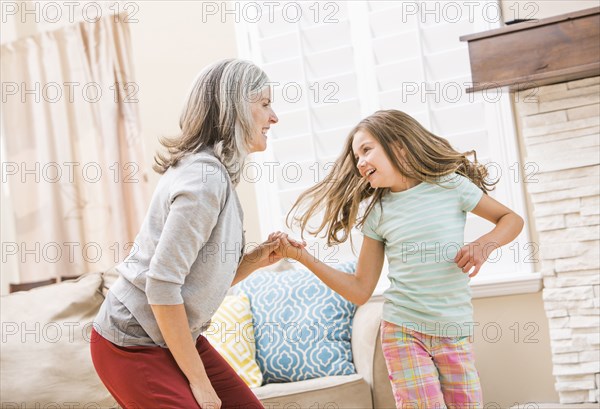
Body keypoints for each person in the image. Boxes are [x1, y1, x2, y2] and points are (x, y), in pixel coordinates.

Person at [90, 59, 301, 409]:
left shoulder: (212, 173)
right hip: (132, 340)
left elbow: (193, 280)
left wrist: (256, 259)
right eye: (264, 104)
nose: (274, 116)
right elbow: (161, 285)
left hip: (167, 335)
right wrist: (200, 383)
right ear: (233, 107)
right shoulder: (204, 180)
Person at [277, 110, 525, 409]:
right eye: (357, 157)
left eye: (366, 150)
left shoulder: (451, 187)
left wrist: (485, 244)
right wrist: (302, 257)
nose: (360, 162)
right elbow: (360, 289)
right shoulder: (378, 214)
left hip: (454, 331)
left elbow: (511, 219)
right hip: (403, 332)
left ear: (398, 145)